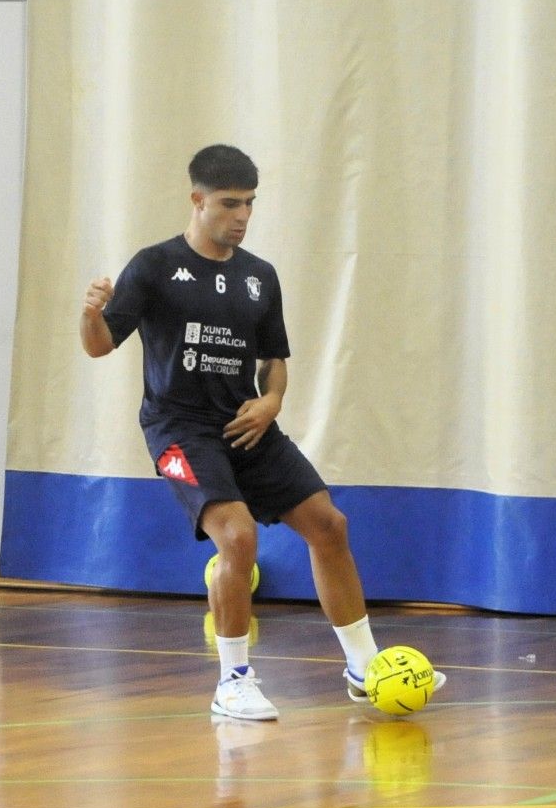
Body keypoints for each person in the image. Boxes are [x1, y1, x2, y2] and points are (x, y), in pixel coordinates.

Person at [80, 144, 441, 721]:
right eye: (229, 204)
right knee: (239, 537)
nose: (242, 216)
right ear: (197, 201)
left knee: (329, 524)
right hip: (177, 434)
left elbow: (274, 360)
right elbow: (99, 347)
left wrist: (271, 402)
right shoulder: (153, 266)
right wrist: (92, 312)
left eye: (250, 204)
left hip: (246, 427)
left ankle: (363, 666)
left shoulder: (259, 277)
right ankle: (233, 682)